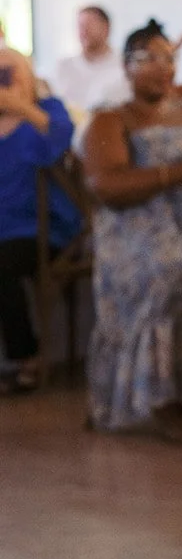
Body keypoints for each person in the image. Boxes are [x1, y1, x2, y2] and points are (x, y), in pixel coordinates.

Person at [81, 21, 182, 443]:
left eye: (169, 58)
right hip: (141, 233)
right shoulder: (112, 119)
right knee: (176, 272)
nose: (162, 68)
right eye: (149, 59)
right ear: (126, 66)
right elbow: (106, 186)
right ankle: (162, 399)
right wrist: (180, 171)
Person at [0, 52, 79, 392]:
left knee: (2, 265)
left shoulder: (50, 112)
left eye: (9, 72)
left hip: (43, 230)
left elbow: (60, 144)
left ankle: (26, 358)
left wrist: (23, 110)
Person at [54, 6, 129, 115]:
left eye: (89, 25)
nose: (84, 31)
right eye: (80, 26)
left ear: (106, 28)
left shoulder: (124, 65)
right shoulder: (63, 66)